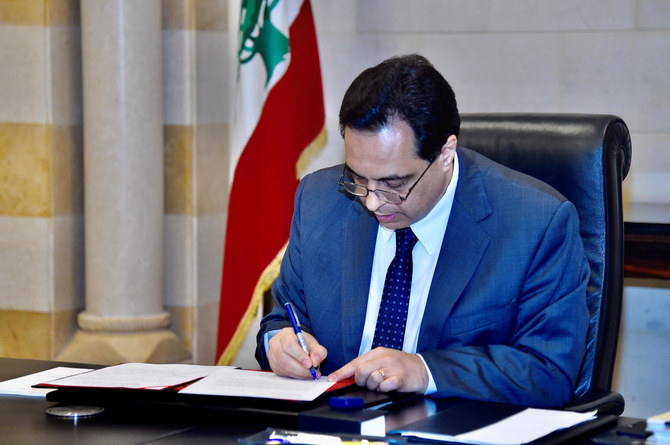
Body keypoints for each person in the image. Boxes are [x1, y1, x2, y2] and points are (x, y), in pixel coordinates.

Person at [255, 54, 590, 407]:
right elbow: (284, 318)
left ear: (446, 153)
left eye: (393, 183)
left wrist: (423, 370)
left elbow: (549, 372)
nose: (372, 202)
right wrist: (278, 344)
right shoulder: (318, 200)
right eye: (357, 178)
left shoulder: (537, 223)